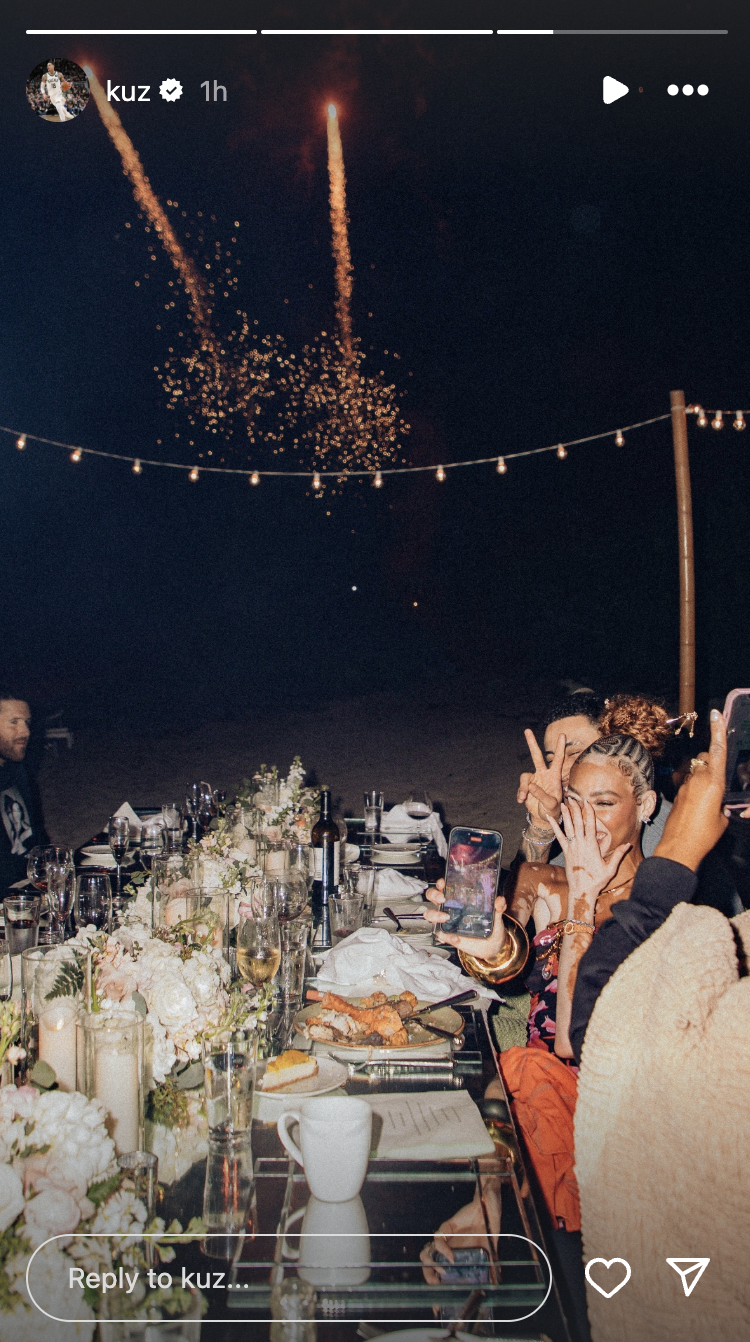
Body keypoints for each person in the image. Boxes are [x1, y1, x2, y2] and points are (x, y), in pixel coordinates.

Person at [426, 712, 668, 1060]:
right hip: (538, 1072)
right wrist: (493, 948)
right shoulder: (544, 880)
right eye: (576, 802)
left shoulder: (659, 902)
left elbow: (577, 1041)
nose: (586, 819)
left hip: (613, 1082)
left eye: (604, 803)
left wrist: (583, 897)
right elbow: (502, 957)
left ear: (645, 804)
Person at [0, 692, 49, 900]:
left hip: (30, 884)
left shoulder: (18, 770)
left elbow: (37, 836)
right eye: (14, 722)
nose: (25, 731)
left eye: (27, 722)